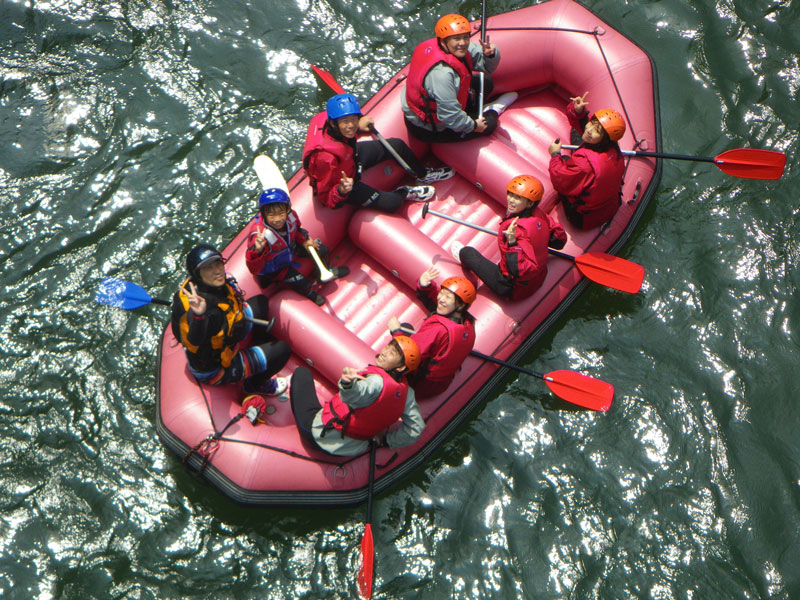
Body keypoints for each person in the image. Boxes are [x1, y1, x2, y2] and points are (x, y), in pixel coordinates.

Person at [302, 93, 454, 213]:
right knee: (392, 203)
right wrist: (341, 190)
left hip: (351, 159)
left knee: (396, 145)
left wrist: (359, 125)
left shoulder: (330, 122)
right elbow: (326, 199)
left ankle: (423, 175)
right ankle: (404, 192)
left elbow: (348, 130)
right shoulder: (325, 158)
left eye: (353, 119)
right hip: (344, 182)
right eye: (345, 122)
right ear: (333, 124)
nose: (350, 126)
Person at [171, 243, 291, 395]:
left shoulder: (208, 286)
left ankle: (259, 344)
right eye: (208, 268)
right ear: (197, 275)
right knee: (282, 350)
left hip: (229, 332)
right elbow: (195, 340)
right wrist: (199, 315)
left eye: (218, 263)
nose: (217, 271)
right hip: (216, 368)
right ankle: (255, 385)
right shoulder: (201, 310)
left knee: (260, 303)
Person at [290, 337, 425, 456]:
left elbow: (357, 393)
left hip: (319, 437)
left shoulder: (375, 382)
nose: (385, 351)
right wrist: (386, 441)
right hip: (355, 447)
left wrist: (348, 383)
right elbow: (416, 427)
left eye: (393, 352)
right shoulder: (407, 394)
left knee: (301, 373)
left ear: (401, 367)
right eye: (389, 345)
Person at [402, 13, 518, 143]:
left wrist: (490, 54)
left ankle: (474, 111)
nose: (462, 43)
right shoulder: (441, 75)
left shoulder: (451, 48)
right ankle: (494, 110)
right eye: (456, 39)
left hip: (446, 99)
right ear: (443, 41)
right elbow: (449, 117)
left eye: (465, 37)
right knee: (489, 125)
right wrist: (473, 125)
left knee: (487, 82)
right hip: (430, 127)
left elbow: (487, 67)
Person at [451, 175, 567, 300]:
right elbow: (559, 242)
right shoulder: (539, 214)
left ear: (530, 203)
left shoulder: (518, 232)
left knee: (467, 252)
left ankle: (464, 257)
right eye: (510, 195)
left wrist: (512, 243)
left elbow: (518, 272)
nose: (511, 200)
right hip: (540, 275)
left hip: (511, 288)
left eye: (517, 198)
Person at [245, 187, 349, 306]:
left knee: (322, 250)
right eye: (272, 215)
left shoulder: (291, 216)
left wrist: (304, 240)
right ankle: (309, 293)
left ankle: (324, 271)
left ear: (287, 210)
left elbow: (297, 230)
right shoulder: (259, 236)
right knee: (302, 282)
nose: (277, 219)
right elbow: (254, 269)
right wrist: (258, 251)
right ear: (264, 214)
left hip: (291, 249)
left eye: (280, 213)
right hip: (276, 267)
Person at [387, 269, 476, 399]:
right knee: (407, 328)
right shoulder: (468, 323)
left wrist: (396, 331)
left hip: (418, 384)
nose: (441, 299)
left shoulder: (437, 329)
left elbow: (407, 356)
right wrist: (425, 287)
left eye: (448, 297)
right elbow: (437, 305)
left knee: (402, 331)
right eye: (442, 293)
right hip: (440, 383)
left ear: (460, 306)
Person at [548, 92, 626, 229]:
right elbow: (586, 125)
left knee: (564, 160)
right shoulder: (614, 149)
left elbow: (559, 180)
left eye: (596, 130)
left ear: (604, 138)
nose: (589, 130)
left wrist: (555, 155)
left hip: (582, 218)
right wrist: (579, 111)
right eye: (592, 123)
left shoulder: (584, 165)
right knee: (576, 134)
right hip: (611, 204)